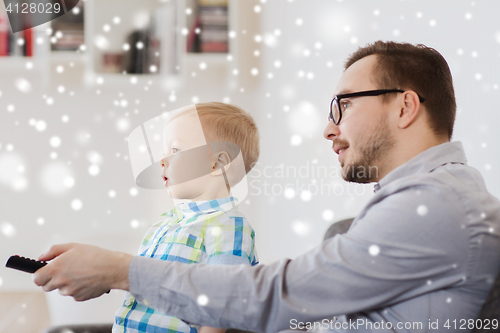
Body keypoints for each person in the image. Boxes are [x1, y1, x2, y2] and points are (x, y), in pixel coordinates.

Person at [34, 41, 500, 333]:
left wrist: (120, 271)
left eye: (342, 107)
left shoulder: (436, 204)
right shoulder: (424, 199)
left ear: (404, 107)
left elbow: (277, 295)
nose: (328, 129)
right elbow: (309, 307)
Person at [113, 102, 260, 333]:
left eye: (175, 150)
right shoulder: (164, 224)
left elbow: (222, 303)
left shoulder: (230, 226)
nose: (162, 159)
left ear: (217, 164)